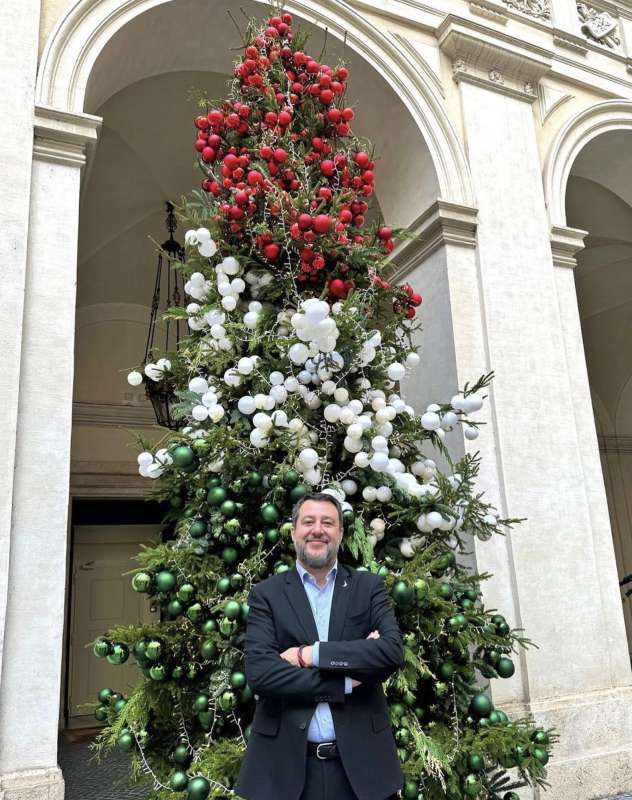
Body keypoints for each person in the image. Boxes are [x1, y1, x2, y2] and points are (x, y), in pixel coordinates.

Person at [235, 492, 405, 800]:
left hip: (362, 768)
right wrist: (345, 680)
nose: (318, 529)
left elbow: (391, 651)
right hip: (285, 769)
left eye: (328, 522)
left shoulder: (368, 588)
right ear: (293, 532)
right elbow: (261, 674)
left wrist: (309, 654)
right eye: (308, 521)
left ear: (340, 532)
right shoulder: (267, 594)